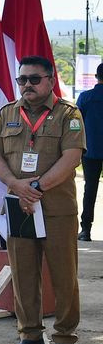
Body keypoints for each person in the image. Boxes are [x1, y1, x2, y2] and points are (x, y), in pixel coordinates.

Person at [0, 55, 84, 344]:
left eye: (34, 79)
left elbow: (71, 158)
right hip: (21, 208)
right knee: (24, 274)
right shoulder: (7, 113)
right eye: (22, 80)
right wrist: (16, 185)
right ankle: (30, 338)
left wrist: (36, 188)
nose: (27, 85)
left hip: (55, 209)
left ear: (50, 81)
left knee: (63, 275)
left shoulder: (68, 114)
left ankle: (65, 340)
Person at [73, 62, 103, 241]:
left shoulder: (85, 98)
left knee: (90, 190)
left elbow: (75, 124)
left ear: (96, 77)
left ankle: (86, 230)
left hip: (90, 150)